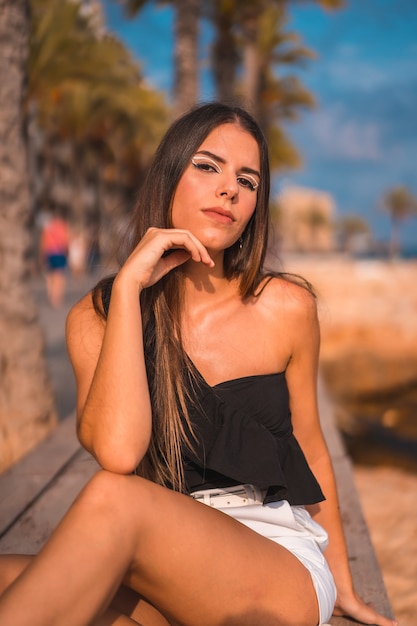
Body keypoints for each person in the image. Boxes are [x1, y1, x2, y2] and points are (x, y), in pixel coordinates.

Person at [0, 103, 397, 626]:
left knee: (114, 500)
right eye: (208, 167)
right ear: (169, 176)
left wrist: (343, 585)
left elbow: (311, 445)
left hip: (272, 564)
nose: (230, 189)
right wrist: (127, 292)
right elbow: (119, 448)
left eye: (248, 180)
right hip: (159, 563)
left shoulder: (285, 307)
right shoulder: (96, 317)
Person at [39, 210, 70, 308]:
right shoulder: (62, 226)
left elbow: (43, 241)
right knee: (59, 276)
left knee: (50, 275)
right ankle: (56, 298)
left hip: (49, 253)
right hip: (59, 252)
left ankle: (51, 294)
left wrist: (42, 254)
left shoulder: (48, 226)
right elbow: (66, 239)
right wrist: (67, 251)